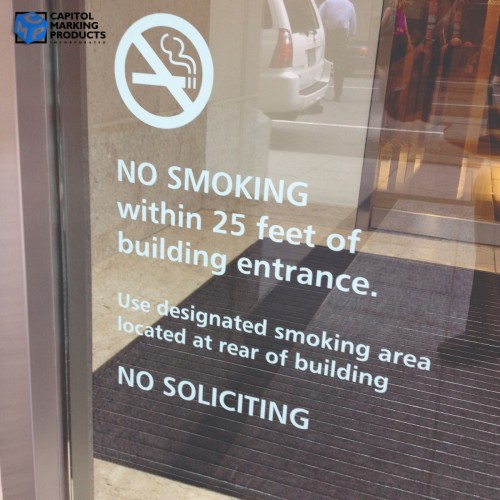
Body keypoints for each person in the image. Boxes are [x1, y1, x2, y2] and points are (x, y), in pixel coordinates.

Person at [319, 0, 357, 101]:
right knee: (339, 65)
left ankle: (321, 92)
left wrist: (322, 27)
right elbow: (353, 23)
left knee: (326, 64)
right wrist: (349, 36)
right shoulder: (349, 5)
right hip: (342, 35)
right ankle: (338, 94)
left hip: (329, 34)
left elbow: (319, 15)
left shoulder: (327, 2)